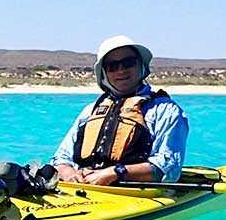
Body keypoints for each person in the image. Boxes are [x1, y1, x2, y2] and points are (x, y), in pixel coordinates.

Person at [50, 34, 188, 186]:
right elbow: (61, 158)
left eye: (128, 63)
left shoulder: (165, 110)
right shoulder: (90, 111)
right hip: (84, 188)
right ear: (104, 73)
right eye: (113, 66)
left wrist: (115, 173)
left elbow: (169, 168)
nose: (121, 70)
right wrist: (69, 173)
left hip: (134, 193)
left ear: (141, 65)